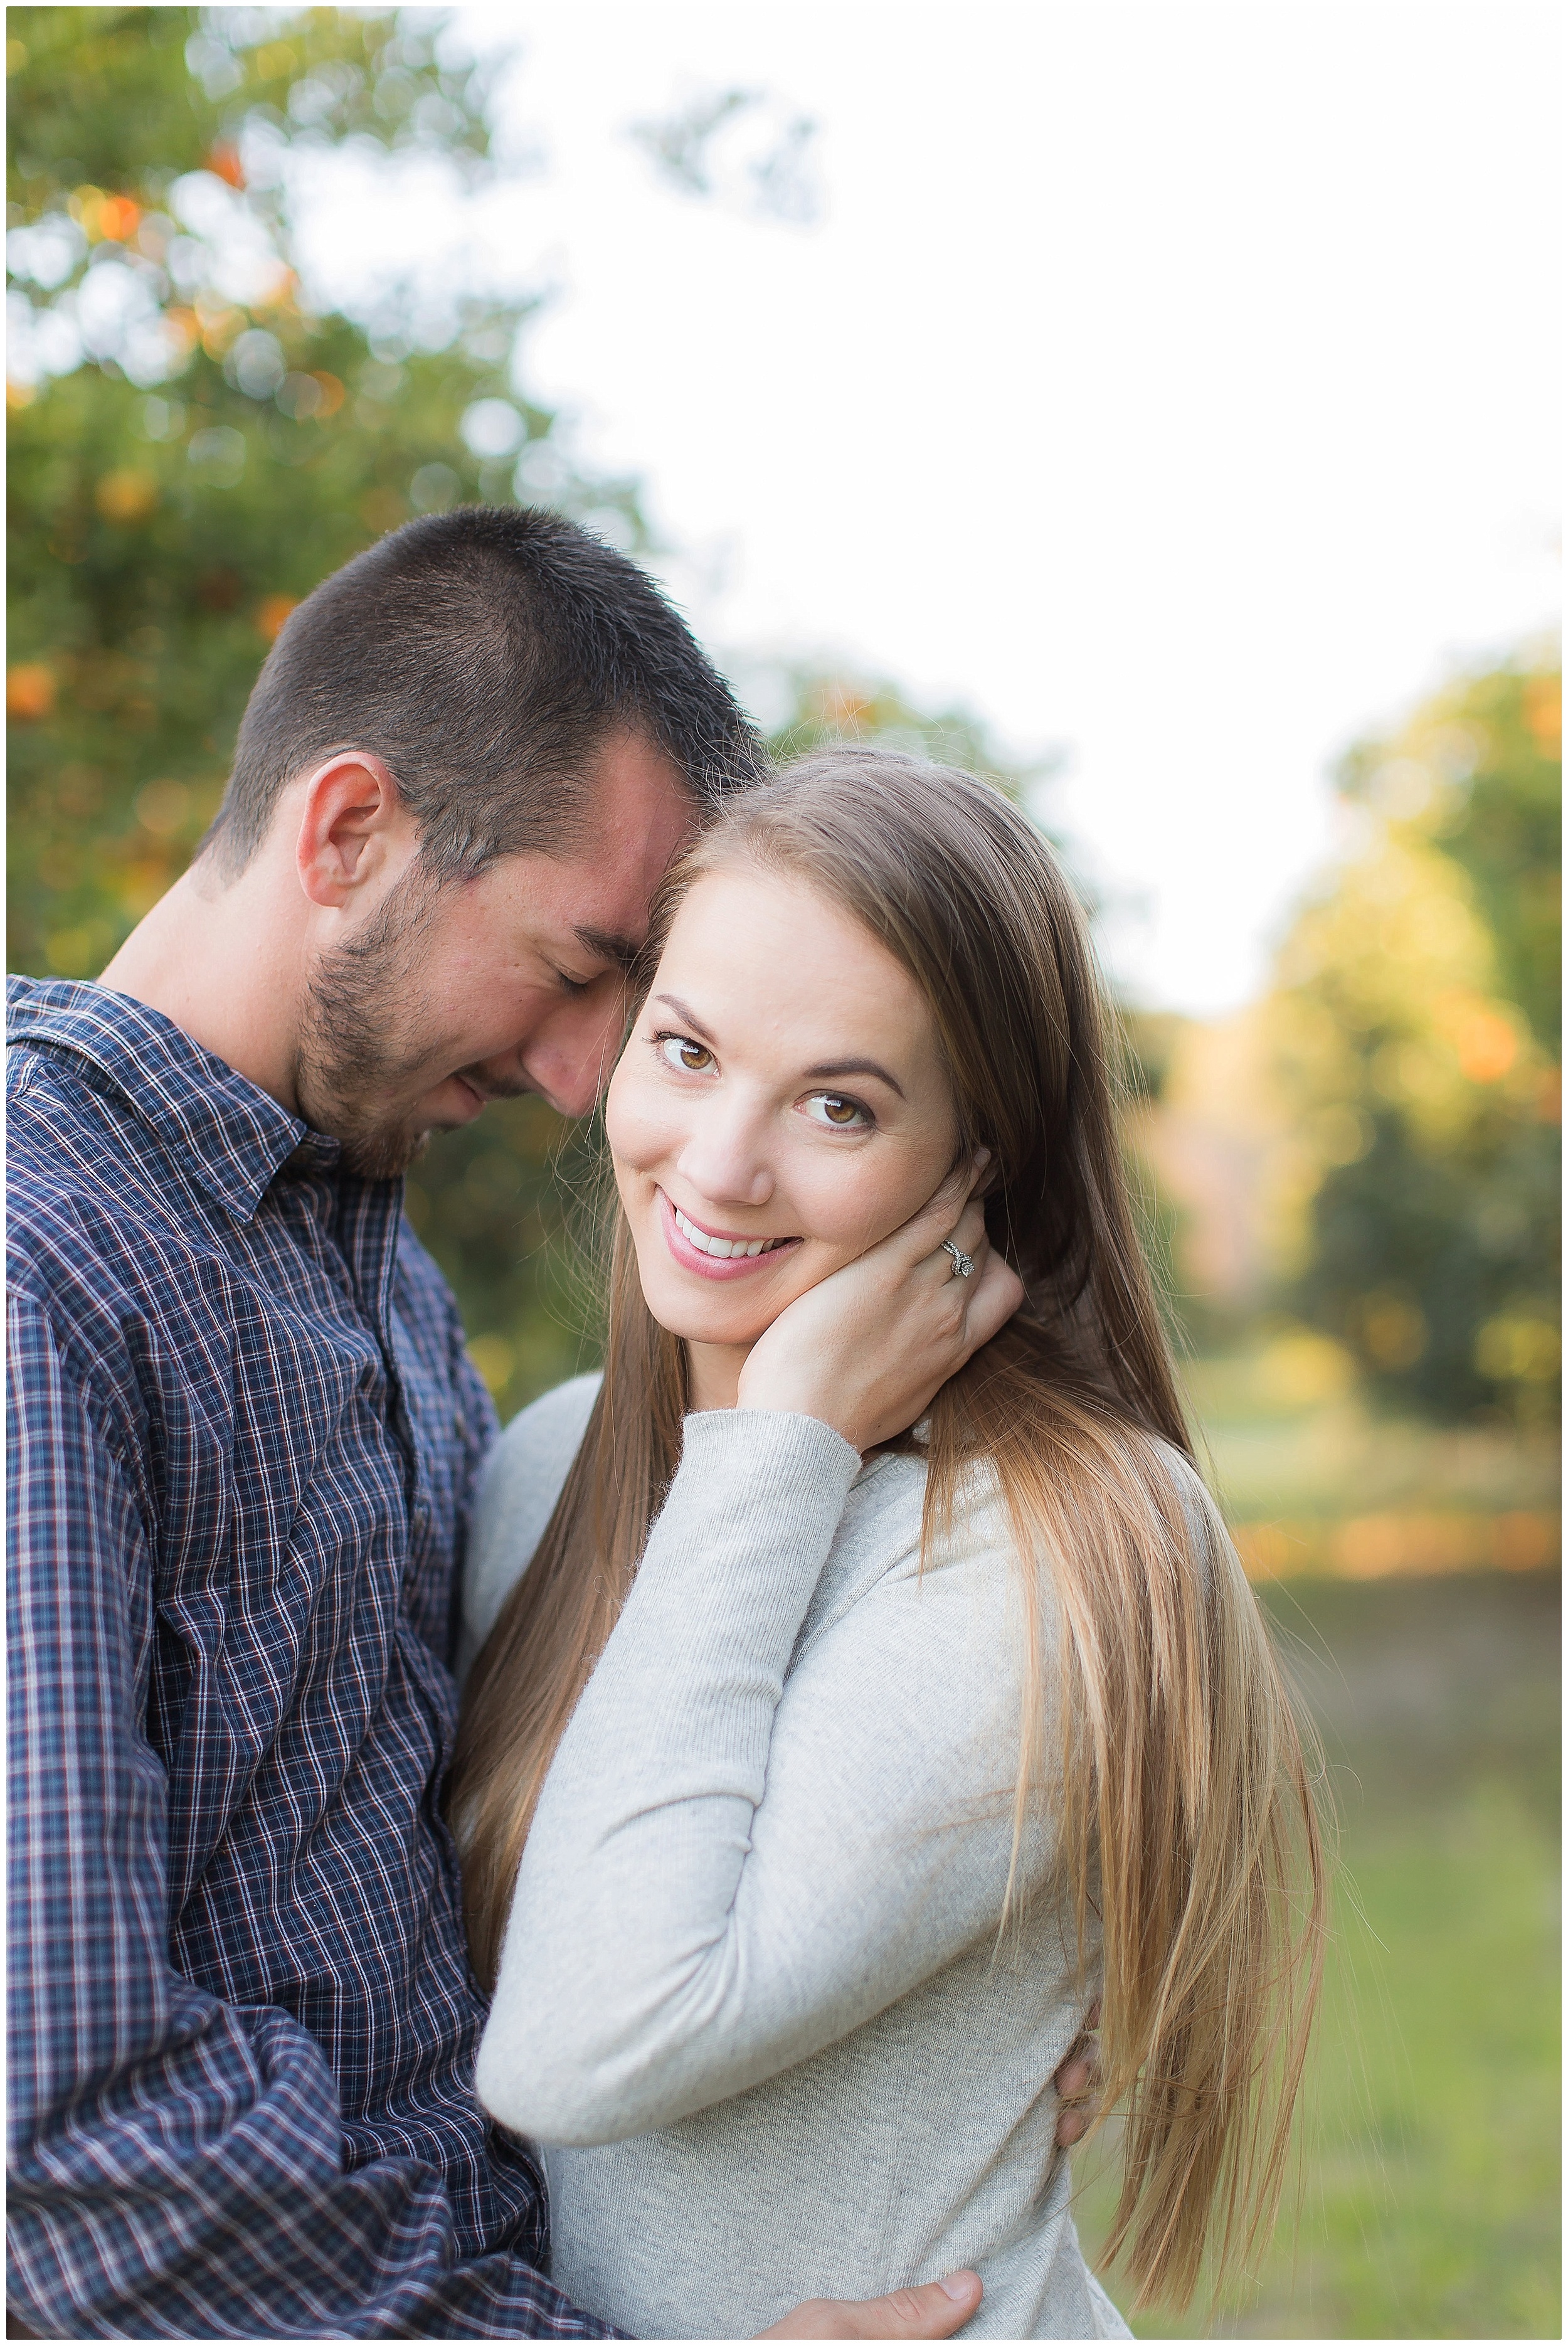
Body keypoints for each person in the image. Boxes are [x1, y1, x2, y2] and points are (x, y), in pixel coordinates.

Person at [6, 507, 1090, 2340]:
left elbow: (508, 1870)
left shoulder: (378, 1281)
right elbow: (60, 2132)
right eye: (582, 964)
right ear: (350, 830)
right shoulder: (38, 1272)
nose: (592, 1077)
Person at [454, 750, 1328, 2340]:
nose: (720, 1164)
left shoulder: (1069, 1538)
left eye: (839, 1103)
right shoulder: (545, 1465)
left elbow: (569, 2046)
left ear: (973, 1165)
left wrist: (775, 1441)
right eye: (689, 1050)